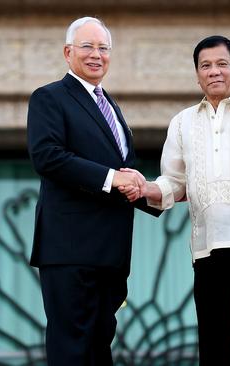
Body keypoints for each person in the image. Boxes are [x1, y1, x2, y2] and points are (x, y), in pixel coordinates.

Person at [119, 35, 230, 365]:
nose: (214, 72)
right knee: (213, 347)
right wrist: (143, 188)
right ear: (197, 74)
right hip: (208, 247)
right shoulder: (182, 123)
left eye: (222, 64)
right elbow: (174, 184)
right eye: (206, 66)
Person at [26, 16, 160, 366]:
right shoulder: (49, 98)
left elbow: (125, 173)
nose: (96, 54)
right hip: (69, 250)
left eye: (103, 48)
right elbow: (48, 157)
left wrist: (157, 193)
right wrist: (113, 178)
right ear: (68, 52)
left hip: (111, 254)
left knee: (100, 349)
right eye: (87, 46)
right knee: (71, 348)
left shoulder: (112, 107)